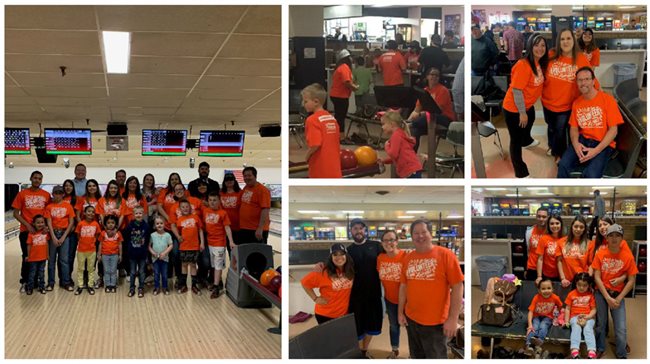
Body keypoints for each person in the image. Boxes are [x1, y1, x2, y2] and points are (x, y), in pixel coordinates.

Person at [397, 220, 464, 359]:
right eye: (416, 233)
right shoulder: (408, 258)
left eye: (423, 232)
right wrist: (400, 313)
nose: (420, 236)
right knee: (417, 356)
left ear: (430, 234)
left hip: (436, 323)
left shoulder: (446, 255)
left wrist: (453, 319)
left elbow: (458, 287)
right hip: (412, 320)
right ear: (411, 236)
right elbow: (403, 287)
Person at [557, 67, 623, 178]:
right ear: (577, 83)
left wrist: (596, 151)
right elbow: (573, 128)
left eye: (587, 79)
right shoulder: (577, 103)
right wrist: (575, 144)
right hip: (583, 141)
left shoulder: (607, 100)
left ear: (593, 81)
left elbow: (613, 130)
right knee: (563, 165)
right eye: (580, 80)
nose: (583, 83)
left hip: (603, 143)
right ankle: (563, 193)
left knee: (591, 175)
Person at [542, 28, 595, 162]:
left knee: (560, 131)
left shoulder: (580, 58)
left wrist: (601, 96)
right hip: (547, 102)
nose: (565, 42)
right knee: (551, 127)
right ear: (558, 41)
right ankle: (551, 145)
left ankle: (559, 153)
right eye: (562, 39)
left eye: (568, 38)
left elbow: (590, 79)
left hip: (566, 106)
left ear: (574, 40)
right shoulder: (551, 54)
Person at [502, 33, 548, 178]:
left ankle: (526, 140)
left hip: (528, 105)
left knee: (531, 118)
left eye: (543, 45)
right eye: (536, 45)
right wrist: (522, 112)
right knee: (515, 140)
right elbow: (517, 91)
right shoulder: (523, 65)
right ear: (529, 46)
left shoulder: (539, 63)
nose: (540, 48)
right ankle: (520, 172)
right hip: (513, 108)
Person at [592, 224, 637, 359]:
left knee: (621, 329)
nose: (614, 238)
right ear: (606, 238)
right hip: (601, 294)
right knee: (601, 324)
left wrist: (618, 299)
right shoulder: (600, 254)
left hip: (618, 295)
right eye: (611, 235)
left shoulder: (627, 256)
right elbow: (597, 277)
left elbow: (631, 280)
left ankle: (621, 354)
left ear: (622, 238)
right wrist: (607, 297)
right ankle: (600, 348)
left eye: (617, 235)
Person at [347, 218, 383, 357]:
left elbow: (390, 258)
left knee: (372, 324)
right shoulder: (348, 250)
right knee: (357, 326)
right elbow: (336, 264)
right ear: (351, 231)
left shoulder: (376, 246)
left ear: (365, 230)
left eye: (360, 228)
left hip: (373, 294)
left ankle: (364, 350)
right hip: (355, 296)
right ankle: (357, 351)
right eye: (355, 228)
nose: (358, 231)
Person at [12, 170, 51, 292]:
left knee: (39, 257)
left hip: (41, 233)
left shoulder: (46, 195)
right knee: (27, 256)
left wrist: (45, 227)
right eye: (35, 178)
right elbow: (15, 213)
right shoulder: (22, 194)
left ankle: (36, 282)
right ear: (30, 178)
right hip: (26, 231)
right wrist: (28, 225)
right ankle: (25, 282)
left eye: (39, 178)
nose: (37, 180)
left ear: (42, 180)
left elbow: (48, 212)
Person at [301, 243, 354, 324]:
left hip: (344, 313)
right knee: (328, 336)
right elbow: (304, 282)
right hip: (325, 314)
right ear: (331, 257)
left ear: (346, 256)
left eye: (342, 254)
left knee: (342, 336)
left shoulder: (350, 270)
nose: (339, 257)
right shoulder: (323, 271)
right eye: (335, 255)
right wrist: (315, 298)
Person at [407, 67, 456, 153]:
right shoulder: (424, 91)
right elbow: (416, 110)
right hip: (428, 118)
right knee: (415, 130)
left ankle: (410, 124)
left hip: (445, 118)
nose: (434, 77)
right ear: (427, 76)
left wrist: (418, 115)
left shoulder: (443, 90)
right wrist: (408, 120)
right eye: (432, 74)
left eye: (437, 75)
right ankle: (412, 157)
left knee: (428, 115)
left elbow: (438, 110)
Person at [302, 83, 342, 178]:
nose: (303, 104)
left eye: (305, 101)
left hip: (320, 167)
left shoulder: (312, 120)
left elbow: (315, 144)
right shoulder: (332, 118)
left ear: (316, 102)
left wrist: (306, 156)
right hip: (334, 167)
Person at [376, 230, 405, 358]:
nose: (389, 243)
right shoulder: (380, 258)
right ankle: (395, 349)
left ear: (397, 241)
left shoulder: (406, 256)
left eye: (392, 239)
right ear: (382, 243)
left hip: (408, 301)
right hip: (391, 300)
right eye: (386, 240)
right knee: (394, 326)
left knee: (412, 329)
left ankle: (415, 353)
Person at [202, 191, 234, 298]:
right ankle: (217, 283)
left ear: (219, 201)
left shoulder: (222, 213)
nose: (212, 202)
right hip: (209, 242)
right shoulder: (205, 211)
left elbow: (227, 228)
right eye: (210, 200)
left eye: (214, 200)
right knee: (213, 265)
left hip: (220, 243)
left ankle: (216, 287)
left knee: (218, 265)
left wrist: (231, 241)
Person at [45, 185, 76, 291]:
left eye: (60, 193)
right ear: (52, 194)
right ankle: (50, 283)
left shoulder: (68, 206)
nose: (58, 195)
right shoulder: (49, 207)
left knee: (64, 260)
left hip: (64, 234)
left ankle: (65, 282)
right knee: (51, 260)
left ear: (63, 194)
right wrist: (53, 236)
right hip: (53, 234)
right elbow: (48, 222)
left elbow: (71, 222)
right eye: (56, 193)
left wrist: (64, 236)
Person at [172, 199, 205, 294]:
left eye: (187, 207)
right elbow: (178, 232)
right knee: (184, 265)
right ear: (180, 209)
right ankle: (184, 285)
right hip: (184, 246)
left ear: (190, 208)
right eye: (183, 207)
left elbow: (200, 231)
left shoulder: (196, 217)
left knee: (193, 265)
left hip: (194, 246)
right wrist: (178, 237)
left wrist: (202, 243)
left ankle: (194, 286)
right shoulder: (179, 220)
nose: (185, 208)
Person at [524, 278, 563, 356]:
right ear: (539, 290)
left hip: (548, 317)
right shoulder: (536, 297)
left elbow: (560, 306)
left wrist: (557, 315)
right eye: (543, 289)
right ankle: (529, 345)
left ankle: (539, 342)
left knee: (543, 325)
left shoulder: (555, 297)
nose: (546, 291)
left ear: (553, 289)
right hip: (537, 316)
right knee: (534, 326)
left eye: (549, 288)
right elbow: (530, 311)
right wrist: (530, 325)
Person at [379, 111, 422, 178]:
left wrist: (386, 146)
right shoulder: (399, 134)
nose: (382, 127)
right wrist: (384, 161)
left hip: (410, 170)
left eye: (383, 124)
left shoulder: (396, 135)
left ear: (392, 124)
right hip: (413, 169)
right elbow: (398, 156)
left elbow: (393, 154)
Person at [564, 273, 597, 359]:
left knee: (588, 329)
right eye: (579, 285)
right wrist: (567, 321)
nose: (581, 288)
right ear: (576, 284)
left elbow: (594, 309)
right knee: (576, 327)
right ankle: (574, 349)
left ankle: (591, 350)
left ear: (588, 285)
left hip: (588, 317)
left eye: (584, 285)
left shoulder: (590, 295)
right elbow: (567, 309)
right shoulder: (571, 294)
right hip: (575, 316)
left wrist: (588, 317)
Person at [329, 49, 359, 138]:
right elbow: (346, 82)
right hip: (340, 96)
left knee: (338, 116)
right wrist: (355, 88)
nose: (351, 59)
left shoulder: (339, 67)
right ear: (346, 58)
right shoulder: (344, 67)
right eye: (350, 57)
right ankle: (341, 137)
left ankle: (336, 135)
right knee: (341, 117)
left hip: (336, 95)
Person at [239, 167, 271, 245]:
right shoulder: (246, 187)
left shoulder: (262, 190)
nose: (247, 178)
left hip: (256, 230)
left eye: (249, 175)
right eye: (245, 176)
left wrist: (260, 228)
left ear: (255, 176)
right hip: (245, 228)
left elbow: (265, 209)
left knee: (257, 256)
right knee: (247, 255)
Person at [124, 206, 149, 298]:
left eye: (140, 213)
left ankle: (141, 287)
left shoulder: (146, 226)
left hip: (142, 253)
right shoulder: (130, 226)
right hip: (132, 253)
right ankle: (132, 288)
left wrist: (147, 253)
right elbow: (126, 238)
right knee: (133, 272)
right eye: (136, 213)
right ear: (133, 215)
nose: (138, 215)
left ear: (143, 214)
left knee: (142, 271)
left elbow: (147, 240)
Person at [75, 205, 101, 294]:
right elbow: (78, 235)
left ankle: (90, 285)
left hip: (92, 250)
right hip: (81, 250)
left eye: (93, 212)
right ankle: (80, 285)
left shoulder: (96, 224)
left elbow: (97, 235)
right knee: (80, 268)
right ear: (84, 213)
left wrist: (92, 242)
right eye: (89, 211)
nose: (91, 213)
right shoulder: (80, 224)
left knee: (91, 268)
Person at [559, 216, 589, 286]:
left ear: (584, 229)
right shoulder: (561, 242)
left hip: (582, 282)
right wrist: (563, 278)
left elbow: (591, 265)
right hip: (566, 281)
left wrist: (587, 280)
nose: (578, 229)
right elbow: (559, 261)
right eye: (576, 226)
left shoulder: (590, 244)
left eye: (581, 227)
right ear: (571, 227)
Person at [535, 214, 565, 284]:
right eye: (552, 224)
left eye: (557, 223)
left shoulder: (565, 239)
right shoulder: (543, 239)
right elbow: (540, 259)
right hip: (547, 275)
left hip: (563, 275)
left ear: (561, 224)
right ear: (548, 225)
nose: (554, 226)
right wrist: (539, 276)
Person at [97, 215, 123, 294]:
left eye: (112, 223)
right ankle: (108, 285)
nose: (110, 224)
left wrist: (120, 255)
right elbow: (100, 244)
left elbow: (120, 245)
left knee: (113, 270)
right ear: (105, 224)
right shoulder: (103, 233)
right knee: (107, 270)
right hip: (105, 255)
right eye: (108, 223)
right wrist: (99, 255)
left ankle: (113, 285)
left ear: (116, 224)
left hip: (114, 255)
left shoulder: (118, 233)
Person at [149, 215, 173, 296]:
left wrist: (164, 253)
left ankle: (165, 287)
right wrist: (153, 253)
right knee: (156, 273)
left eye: (161, 223)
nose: (159, 225)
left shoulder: (167, 235)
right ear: (154, 225)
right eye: (157, 223)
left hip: (165, 258)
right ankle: (156, 287)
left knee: (164, 274)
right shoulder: (152, 235)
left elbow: (171, 245)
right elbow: (149, 246)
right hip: (155, 258)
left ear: (164, 224)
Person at [25, 215, 49, 295]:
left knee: (41, 273)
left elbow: (47, 245)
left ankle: (41, 287)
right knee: (32, 273)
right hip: (33, 259)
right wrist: (28, 256)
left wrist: (47, 255)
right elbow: (29, 245)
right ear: (34, 224)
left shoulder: (45, 233)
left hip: (42, 258)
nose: (40, 224)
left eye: (42, 222)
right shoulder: (31, 234)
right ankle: (30, 287)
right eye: (38, 222)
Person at [525, 207, 549, 280]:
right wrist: (525, 269)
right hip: (532, 267)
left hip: (547, 269)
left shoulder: (551, 232)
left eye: (544, 217)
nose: (541, 219)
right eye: (539, 216)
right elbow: (527, 251)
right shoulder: (529, 232)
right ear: (536, 217)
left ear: (548, 218)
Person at [220, 173, 242, 250]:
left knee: (238, 250)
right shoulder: (221, 193)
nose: (229, 181)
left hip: (238, 227)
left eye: (231, 180)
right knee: (230, 250)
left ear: (234, 181)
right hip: (225, 227)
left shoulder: (240, 192)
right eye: (227, 180)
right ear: (224, 182)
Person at [62, 179, 79, 277]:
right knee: (62, 257)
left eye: (70, 186)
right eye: (66, 185)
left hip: (72, 231)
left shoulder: (77, 199)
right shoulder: (60, 198)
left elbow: (76, 216)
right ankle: (62, 278)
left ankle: (68, 277)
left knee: (70, 256)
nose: (68, 187)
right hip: (60, 230)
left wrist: (73, 226)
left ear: (73, 188)